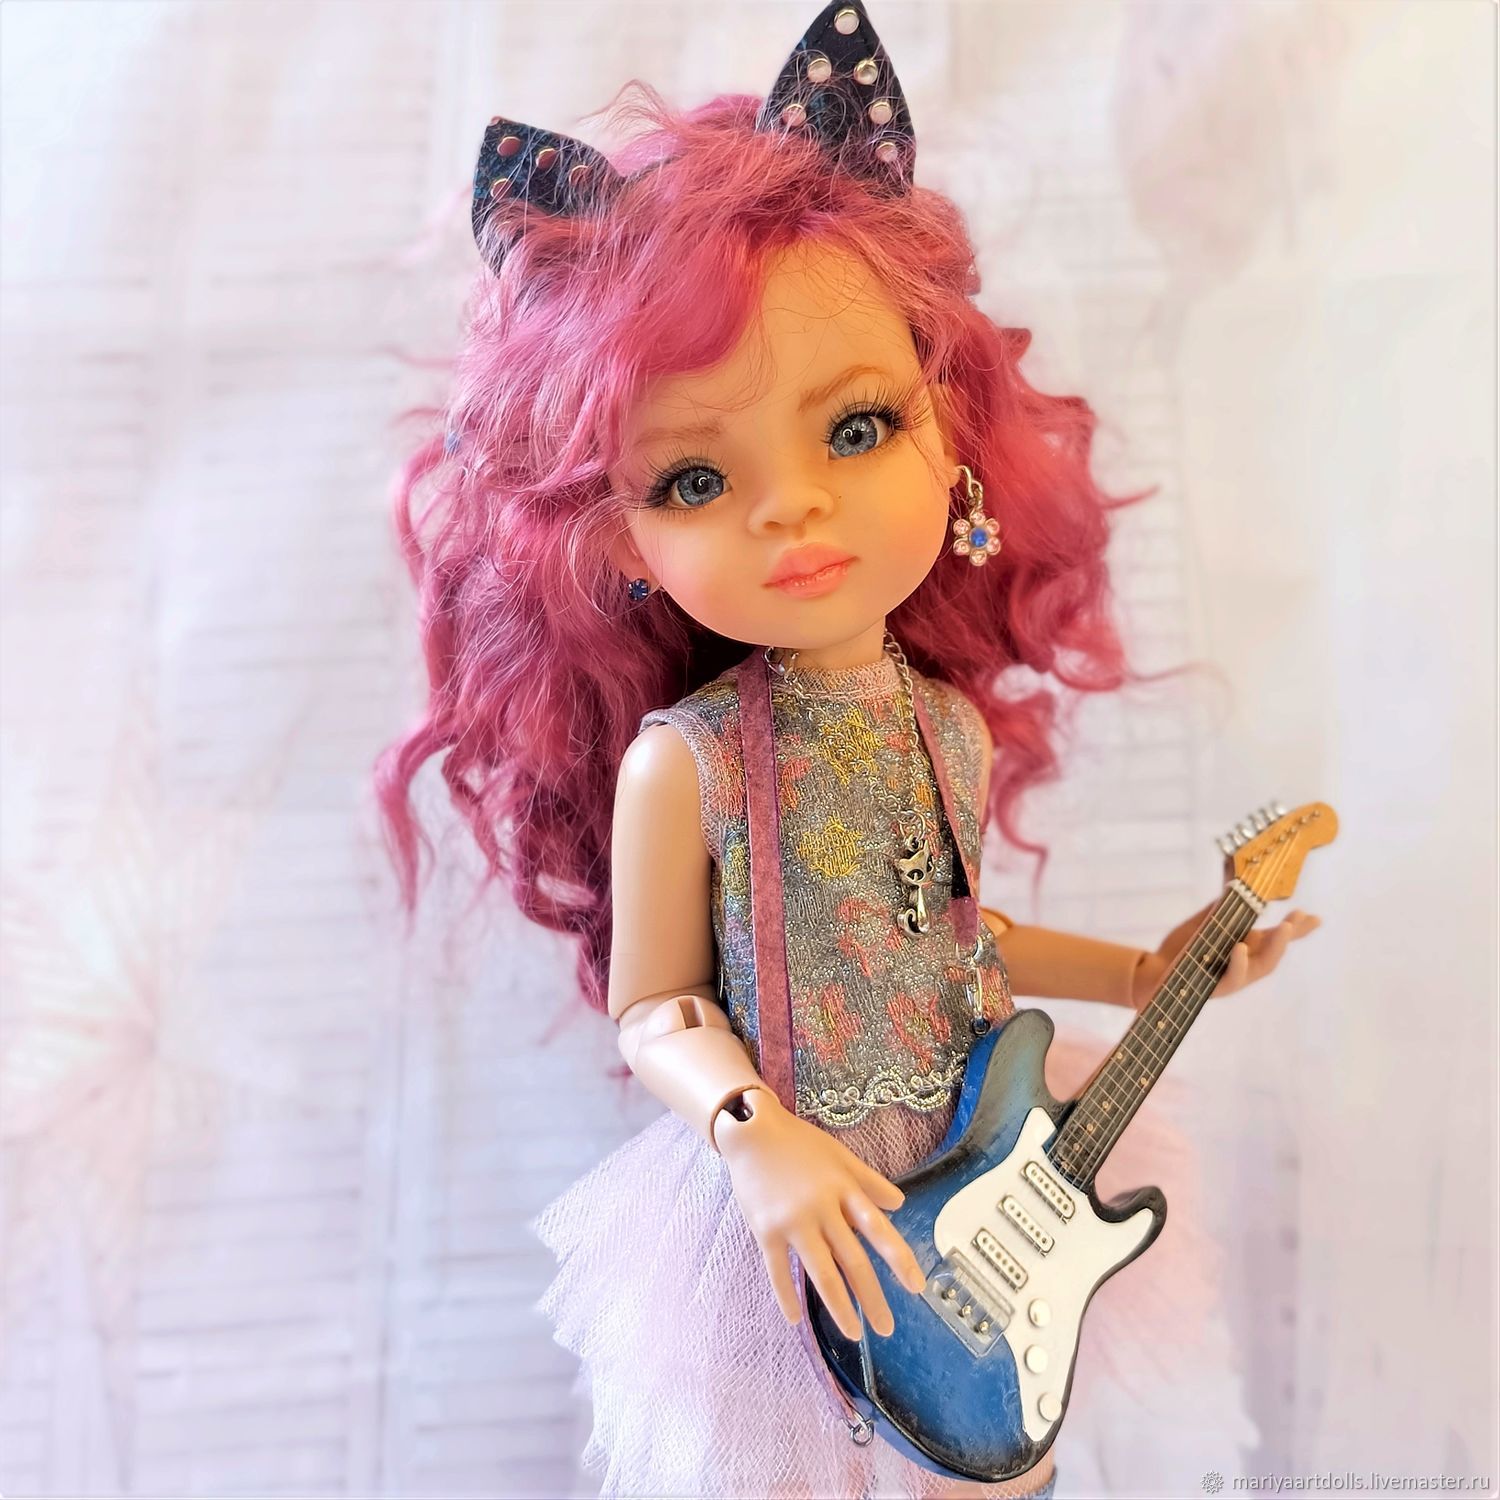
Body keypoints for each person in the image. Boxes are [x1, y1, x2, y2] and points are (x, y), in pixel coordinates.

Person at [374, 2, 1320, 1494]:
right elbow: (657, 1003)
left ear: (948, 424)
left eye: (858, 428)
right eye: (696, 478)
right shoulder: (689, 762)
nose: (793, 507)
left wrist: (1147, 974)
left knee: (1000, 1461)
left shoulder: (943, 727)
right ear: (614, 541)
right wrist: (752, 1132)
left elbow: (951, 935)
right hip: (796, 1202)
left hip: (972, 1169)